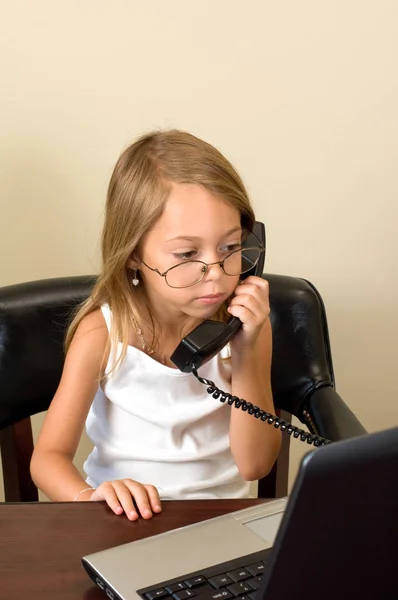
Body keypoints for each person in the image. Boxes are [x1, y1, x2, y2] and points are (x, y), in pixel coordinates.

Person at [30, 130, 281, 521]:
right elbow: (47, 458)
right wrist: (90, 497)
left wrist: (247, 350)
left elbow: (254, 466)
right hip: (125, 523)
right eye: (186, 253)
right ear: (132, 254)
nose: (216, 274)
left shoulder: (246, 329)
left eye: (231, 247)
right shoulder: (103, 334)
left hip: (223, 523)